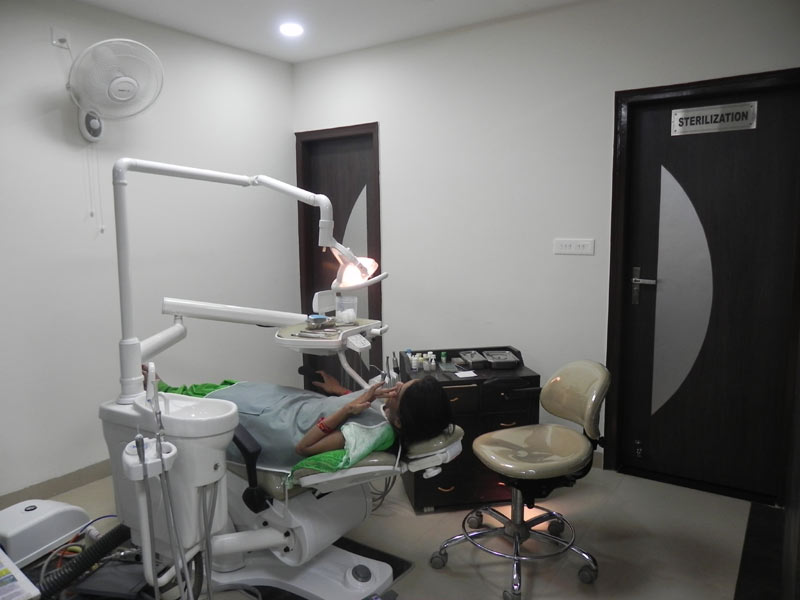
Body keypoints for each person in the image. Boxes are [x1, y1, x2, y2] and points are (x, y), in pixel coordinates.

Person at [148, 366, 454, 472]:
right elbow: (365, 409)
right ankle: (167, 390)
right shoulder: (388, 414)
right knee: (232, 388)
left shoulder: (375, 434)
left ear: (400, 422)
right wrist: (340, 392)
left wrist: (345, 409)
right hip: (295, 406)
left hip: (282, 428)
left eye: (400, 392)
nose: (396, 385)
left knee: (215, 404)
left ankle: (158, 396)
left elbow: (304, 448)